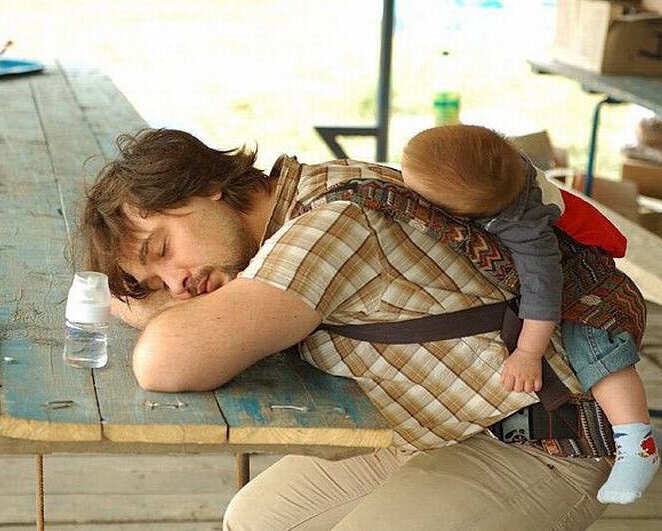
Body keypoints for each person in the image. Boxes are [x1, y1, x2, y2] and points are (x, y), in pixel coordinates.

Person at [80, 128, 632, 530]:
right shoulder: (306, 191)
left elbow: (164, 363)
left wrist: (136, 310)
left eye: (163, 250)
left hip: (545, 442)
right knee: (254, 520)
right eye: (153, 283)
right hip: (446, 422)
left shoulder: (329, 226)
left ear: (206, 188)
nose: (176, 284)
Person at [400, 124, 660, 505]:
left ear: (470, 214)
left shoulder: (525, 229)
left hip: (585, 284)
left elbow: (544, 295)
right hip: (554, 273)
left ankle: (636, 442)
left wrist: (528, 352)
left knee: (596, 351)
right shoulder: (499, 171)